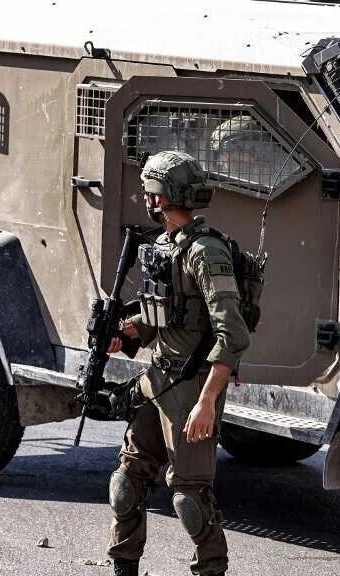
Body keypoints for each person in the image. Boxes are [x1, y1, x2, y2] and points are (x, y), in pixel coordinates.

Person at [106, 151, 250, 576]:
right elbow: (162, 315)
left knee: (189, 497)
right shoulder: (164, 246)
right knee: (126, 482)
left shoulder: (206, 253)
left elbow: (233, 334)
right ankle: (123, 566)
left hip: (192, 389)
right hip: (157, 380)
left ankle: (210, 569)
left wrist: (207, 403)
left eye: (150, 189)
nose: (146, 197)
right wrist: (126, 333)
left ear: (163, 197)